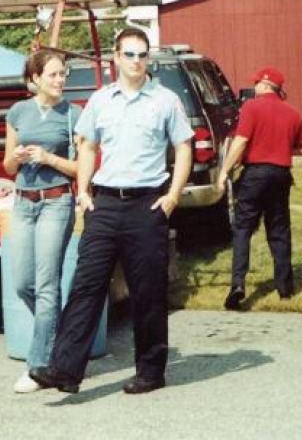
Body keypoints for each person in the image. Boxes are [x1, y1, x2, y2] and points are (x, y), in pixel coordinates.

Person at [30, 27, 193, 395]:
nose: (137, 61)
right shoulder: (101, 100)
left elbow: (184, 148)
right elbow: (87, 147)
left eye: (142, 54)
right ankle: (64, 370)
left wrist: (173, 197)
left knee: (147, 291)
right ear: (116, 58)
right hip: (104, 204)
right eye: (130, 54)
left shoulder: (165, 101)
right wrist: (84, 190)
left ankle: (150, 372)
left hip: (146, 205)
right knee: (87, 284)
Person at [3, 49, 82, 394]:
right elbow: (6, 166)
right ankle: (61, 337)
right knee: (23, 284)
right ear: (34, 79)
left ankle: (37, 366)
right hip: (22, 202)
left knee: (48, 286)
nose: (60, 80)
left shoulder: (73, 115)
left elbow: (82, 169)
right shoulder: (17, 112)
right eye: (52, 74)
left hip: (56, 202)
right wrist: (18, 157)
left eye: (62, 74)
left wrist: (48, 157)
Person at [216, 66, 302, 310]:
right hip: (280, 173)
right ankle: (285, 287)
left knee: (243, 228)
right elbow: (300, 148)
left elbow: (241, 141)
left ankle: (237, 285)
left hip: (255, 173)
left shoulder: (251, 107)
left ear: (264, 85)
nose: (254, 88)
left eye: (256, 83)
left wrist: (225, 170)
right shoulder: (293, 113)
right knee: (279, 229)